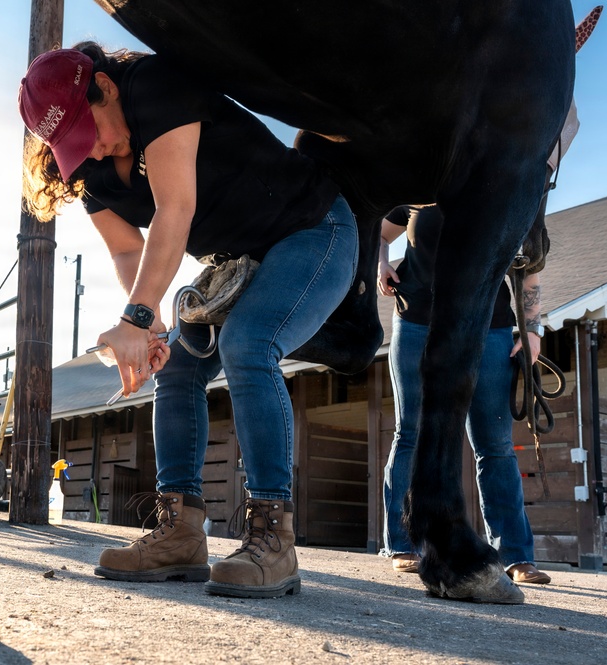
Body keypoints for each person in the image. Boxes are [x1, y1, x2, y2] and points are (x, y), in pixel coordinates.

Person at [18, 42, 358, 598]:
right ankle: (179, 532)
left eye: (90, 130)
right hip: (236, 263)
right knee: (175, 365)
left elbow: (175, 209)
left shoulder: (156, 85)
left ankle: (274, 538)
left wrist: (135, 316)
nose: (93, 148)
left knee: (249, 344)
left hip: (312, 230)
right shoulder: (91, 172)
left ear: (105, 86)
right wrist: (150, 327)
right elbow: (127, 250)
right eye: (75, 144)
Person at [378, 205, 551, 585]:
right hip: (417, 321)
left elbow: (529, 268)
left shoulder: (507, 192)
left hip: (489, 326)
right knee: (410, 434)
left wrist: (532, 330)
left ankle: (515, 556)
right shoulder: (419, 189)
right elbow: (380, 232)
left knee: (495, 445)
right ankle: (404, 545)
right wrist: (380, 262)